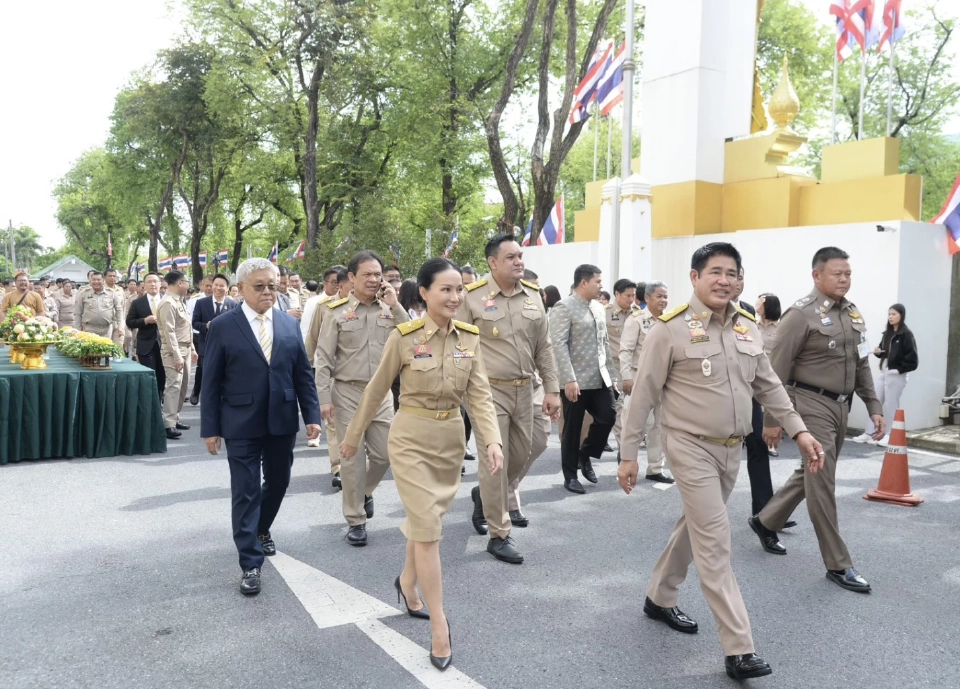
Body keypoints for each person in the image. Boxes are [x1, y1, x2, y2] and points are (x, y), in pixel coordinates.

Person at [618, 242, 824, 681]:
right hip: (689, 445)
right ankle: (739, 647)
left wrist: (800, 431)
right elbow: (644, 396)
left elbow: (769, 387)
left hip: (732, 448)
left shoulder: (747, 327)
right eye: (715, 272)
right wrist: (628, 454)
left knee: (695, 527)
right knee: (715, 540)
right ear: (695, 277)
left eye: (732, 272)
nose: (724, 280)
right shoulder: (669, 329)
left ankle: (659, 596)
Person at [340, 258, 503, 671]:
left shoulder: (470, 337)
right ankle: (440, 627)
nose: (454, 297)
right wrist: (352, 437)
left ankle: (408, 583)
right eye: (444, 289)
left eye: (458, 290)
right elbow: (377, 390)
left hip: (450, 439)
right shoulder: (404, 336)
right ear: (424, 294)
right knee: (429, 529)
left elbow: (480, 395)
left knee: (426, 521)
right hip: (410, 437)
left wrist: (492, 441)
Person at [751, 246, 884, 594]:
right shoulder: (800, 314)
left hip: (841, 406)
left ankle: (766, 521)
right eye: (837, 273)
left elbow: (862, 363)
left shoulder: (853, 314)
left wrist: (873, 405)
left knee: (810, 471)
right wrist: (772, 419)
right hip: (808, 404)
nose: (844, 279)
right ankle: (838, 563)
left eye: (848, 274)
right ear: (817, 275)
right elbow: (774, 372)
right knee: (823, 480)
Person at [201, 257, 321, 596]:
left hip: (281, 419)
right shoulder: (223, 326)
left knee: (279, 481)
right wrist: (211, 428)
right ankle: (250, 563)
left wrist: (311, 415)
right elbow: (210, 382)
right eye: (260, 286)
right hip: (239, 422)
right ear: (240, 290)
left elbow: (302, 374)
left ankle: (260, 528)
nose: (268, 291)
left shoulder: (287, 323)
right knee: (246, 490)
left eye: (272, 284)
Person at [458, 234, 560, 564]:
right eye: (511, 257)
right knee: (495, 460)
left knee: (533, 445)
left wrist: (552, 388)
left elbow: (544, 347)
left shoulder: (532, 297)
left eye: (520, 255)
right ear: (493, 263)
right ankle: (499, 533)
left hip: (525, 388)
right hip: (487, 392)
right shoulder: (472, 298)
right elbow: (458, 347)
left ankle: (485, 494)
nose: (519, 261)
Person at [315, 251, 409, 546]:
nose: (374, 279)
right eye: (367, 274)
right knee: (351, 458)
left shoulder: (390, 309)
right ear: (351, 278)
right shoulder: (336, 311)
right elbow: (323, 358)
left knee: (385, 454)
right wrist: (323, 397)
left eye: (378, 274)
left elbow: (414, 338)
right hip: (347, 392)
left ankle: (364, 492)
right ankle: (355, 519)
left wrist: (396, 306)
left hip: (380, 394)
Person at [549, 264, 618, 494]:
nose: (601, 286)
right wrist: (568, 379)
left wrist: (612, 375)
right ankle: (570, 476)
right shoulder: (564, 307)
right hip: (575, 381)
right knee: (572, 429)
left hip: (599, 378)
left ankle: (585, 454)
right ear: (583, 283)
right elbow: (558, 344)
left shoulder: (598, 308)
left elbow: (604, 345)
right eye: (598, 281)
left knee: (608, 417)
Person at [618, 280, 673, 482]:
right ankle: (625, 459)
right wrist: (626, 377)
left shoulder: (670, 320)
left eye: (666, 296)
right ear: (647, 298)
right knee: (634, 422)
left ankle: (655, 468)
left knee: (660, 425)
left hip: (664, 382)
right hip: (639, 379)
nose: (663, 300)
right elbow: (625, 351)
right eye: (659, 296)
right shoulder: (637, 320)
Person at [305, 266, 353, 489]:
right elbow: (312, 338)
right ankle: (339, 468)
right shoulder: (324, 307)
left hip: (361, 376)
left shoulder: (369, 305)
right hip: (332, 373)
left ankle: (356, 466)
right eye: (334, 282)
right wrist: (306, 368)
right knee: (333, 422)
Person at [852, 303, 918, 446]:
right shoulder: (887, 334)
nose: (890, 317)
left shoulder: (906, 334)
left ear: (901, 315)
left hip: (897, 375)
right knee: (875, 400)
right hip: (884, 372)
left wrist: (898, 370)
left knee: (890, 405)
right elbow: (884, 352)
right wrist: (877, 351)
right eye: (889, 314)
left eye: (894, 314)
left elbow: (913, 361)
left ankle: (889, 435)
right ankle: (870, 433)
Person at [157, 271, 197, 440]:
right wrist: (177, 355)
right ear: (180, 283)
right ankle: (168, 424)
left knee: (183, 385)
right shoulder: (167, 303)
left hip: (186, 348)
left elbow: (186, 327)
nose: (189, 285)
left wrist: (193, 348)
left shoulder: (179, 301)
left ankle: (175, 416)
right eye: (187, 282)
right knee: (173, 386)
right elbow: (169, 331)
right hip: (174, 350)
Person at [190, 274, 239, 405]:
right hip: (206, 344)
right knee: (206, 372)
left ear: (227, 288)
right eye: (215, 285)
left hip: (225, 346)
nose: (218, 288)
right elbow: (194, 322)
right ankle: (200, 393)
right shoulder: (201, 303)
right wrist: (206, 326)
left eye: (221, 285)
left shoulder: (233, 304)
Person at [126, 273, 167, 402]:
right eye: (149, 282)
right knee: (150, 376)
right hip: (146, 345)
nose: (153, 284)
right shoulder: (138, 303)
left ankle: (159, 403)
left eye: (155, 281)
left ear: (160, 284)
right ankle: (149, 404)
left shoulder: (167, 301)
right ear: (144, 285)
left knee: (162, 376)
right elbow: (130, 322)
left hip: (165, 345)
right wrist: (145, 321)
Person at [76, 271, 120, 338]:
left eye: (98, 280)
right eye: (94, 280)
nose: (96, 282)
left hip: (106, 330)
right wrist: (77, 330)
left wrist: (120, 327)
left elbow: (119, 310)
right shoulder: (84, 294)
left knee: (106, 348)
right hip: (90, 329)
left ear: (103, 281)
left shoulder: (112, 293)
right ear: (91, 280)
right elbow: (77, 313)